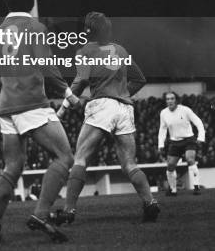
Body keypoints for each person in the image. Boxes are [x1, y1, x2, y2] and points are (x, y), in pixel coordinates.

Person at [0, 0, 77, 245]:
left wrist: (8, 81)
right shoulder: (36, 27)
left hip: (7, 106)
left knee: (12, 167)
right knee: (64, 157)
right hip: (31, 103)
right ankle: (42, 214)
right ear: (32, 2)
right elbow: (47, 65)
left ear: (6, 2)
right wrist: (68, 93)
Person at [52, 12, 160, 225]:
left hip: (101, 106)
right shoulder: (120, 50)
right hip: (125, 109)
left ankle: (69, 211)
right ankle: (150, 202)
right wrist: (123, 94)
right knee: (129, 163)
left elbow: (81, 81)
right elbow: (140, 79)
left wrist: (63, 108)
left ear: (88, 31)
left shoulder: (84, 51)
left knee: (81, 158)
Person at [158, 91, 206, 196]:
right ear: (165, 101)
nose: (170, 101)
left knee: (190, 159)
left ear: (176, 100)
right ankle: (173, 190)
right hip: (174, 142)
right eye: (168, 99)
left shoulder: (185, 110)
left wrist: (201, 137)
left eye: (172, 98)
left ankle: (196, 187)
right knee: (170, 165)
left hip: (188, 139)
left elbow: (198, 122)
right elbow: (162, 129)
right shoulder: (163, 113)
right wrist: (160, 144)